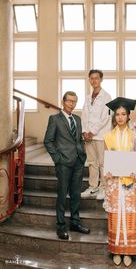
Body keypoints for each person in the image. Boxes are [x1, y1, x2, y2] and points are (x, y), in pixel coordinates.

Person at [44, 91, 90, 240]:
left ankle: (75, 223)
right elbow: (48, 141)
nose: (72, 104)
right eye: (69, 101)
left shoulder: (77, 119)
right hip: (63, 163)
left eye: (74, 101)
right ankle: (61, 226)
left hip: (78, 161)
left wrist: (81, 152)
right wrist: (58, 158)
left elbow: (78, 140)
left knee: (76, 194)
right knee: (62, 195)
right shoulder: (55, 119)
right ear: (63, 102)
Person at [103, 97, 136, 267]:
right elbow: (106, 159)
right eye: (117, 114)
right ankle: (116, 249)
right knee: (116, 214)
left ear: (128, 116)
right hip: (114, 184)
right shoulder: (108, 137)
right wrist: (108, 172)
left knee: (129, 215)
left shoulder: (134, 136)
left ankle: (128, 251)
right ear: (114, 117)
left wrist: (135, 170)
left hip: (130, 182)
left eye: (123, 114)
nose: (120, 117)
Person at [81, 69, 111, 200]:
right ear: (89, 80)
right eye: (91, 78)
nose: (94, 80)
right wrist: (84, 132)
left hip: (100, 135)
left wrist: (92, 132)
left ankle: (103, 188)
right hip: (88, 136)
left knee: (103, 162)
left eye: (96, 78)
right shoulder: (88, 97)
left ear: (101, 79)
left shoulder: (106, 96)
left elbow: (105, 118)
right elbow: (84, 116)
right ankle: (93, 186)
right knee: (92, 162)